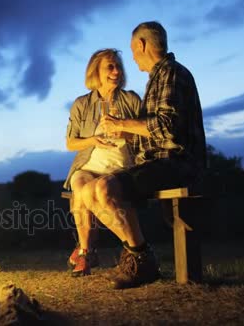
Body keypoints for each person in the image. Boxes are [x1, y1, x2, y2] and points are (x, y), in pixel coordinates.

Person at [80, 21, 207, 288]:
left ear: (142, 45)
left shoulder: (171, 73)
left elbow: (168, 128)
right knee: (91, 190)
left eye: (133, 50)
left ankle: (142, 259)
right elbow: (156, 132)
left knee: (105, 187)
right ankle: (139, 255)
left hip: (176, 163)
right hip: (160, 162)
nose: (133, 57)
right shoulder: (159, 77)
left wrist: (121, 124)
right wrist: (126, 135)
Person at [64, 48, 141, 277]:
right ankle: (87, 252)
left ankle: (92, 250)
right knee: (80, 185)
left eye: (118, 66)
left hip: (121, 166)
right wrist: (92, 139)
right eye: (110, 66)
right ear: (95, 71)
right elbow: (70, 143)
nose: (116, 71)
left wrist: (124, 132)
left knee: (87, 193)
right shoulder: (82, 104)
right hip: (89, 164)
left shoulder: (131, 99)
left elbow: (146, 134)